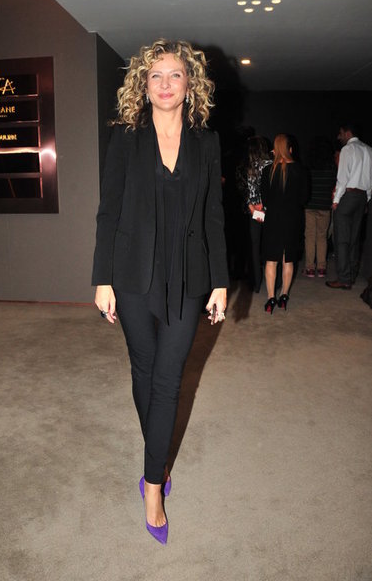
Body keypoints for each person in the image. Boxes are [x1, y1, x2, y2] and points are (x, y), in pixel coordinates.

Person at [91, 39, 229, 545]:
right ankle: (158, 454)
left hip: (188, 278)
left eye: (175, 75)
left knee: (169, 381)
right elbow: (109, 211)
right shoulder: (125, 138)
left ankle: (153, 485)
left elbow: (213, 215)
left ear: (190, 84)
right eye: (156, 75)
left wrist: (220, 280)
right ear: (143, 85)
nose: (165, 84)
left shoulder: (206, 142)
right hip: (131, 277)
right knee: (144, 373)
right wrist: (102, 277)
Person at [261, 133, 309, 313]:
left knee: (271, 260)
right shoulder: (300, 170)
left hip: (273, 219)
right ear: (290, 149)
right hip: (292, 219)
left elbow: (265, 199)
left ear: (275, 149)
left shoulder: (268, 171)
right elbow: (304, 198)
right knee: (288, 260)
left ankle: (270, 299)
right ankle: (284, 296)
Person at [326, 123, 372, 289]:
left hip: (348, 196)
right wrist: (367, 198)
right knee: (354, 238)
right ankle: (350, 275)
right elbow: (370, 179)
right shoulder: (369, 149)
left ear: (347, 133)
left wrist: (336, 200)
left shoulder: (347, 149)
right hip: (362, 196)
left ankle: (344, 278)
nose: (339, 137)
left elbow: (343, 177)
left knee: (342, 240)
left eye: (340, 133)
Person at [235, 135, 272, 291]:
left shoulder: (246, 166)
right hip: (270, 210)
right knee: (271, 247)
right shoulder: (272, 165)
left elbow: (244, 190)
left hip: (253, 212)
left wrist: (252, 207)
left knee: (254, 248)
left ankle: (256, 283)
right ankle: (275, 282)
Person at [303, 137, 336, 278]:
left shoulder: (308, 169)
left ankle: (310, 268)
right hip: (324, 206)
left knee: (310, 236)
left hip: (309, 205)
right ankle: (322, 268)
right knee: (322, 237)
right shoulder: (332, 169)